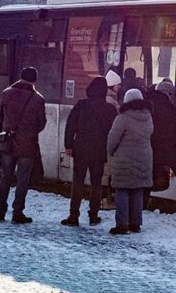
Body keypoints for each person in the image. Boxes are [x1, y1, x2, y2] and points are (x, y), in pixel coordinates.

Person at [61, 76, 117, 227]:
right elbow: (113, 131)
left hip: (80, 148)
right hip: (99, 149)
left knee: (78, 182)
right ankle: (93, 215)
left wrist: (68, 145)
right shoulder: (109, 109)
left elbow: (70, 125)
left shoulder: (81, 105)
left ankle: (73, 215)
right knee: (96, 183)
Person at [0, 66, 47, 224]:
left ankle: (0, 211)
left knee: (5, 177)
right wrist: (29, 133)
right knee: (22, 180)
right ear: (34, 80)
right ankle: (17, 212)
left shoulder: (6, 93)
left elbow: (0, 117)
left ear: (20, 76)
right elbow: (41, 123)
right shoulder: (38, 99)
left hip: (8, 142)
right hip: (27, 145)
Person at [106, 88, 154, 235]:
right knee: (137, 190)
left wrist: (110, 152)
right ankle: (135, 223)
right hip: (144, 157)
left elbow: (112, 140)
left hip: (124, 159)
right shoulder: (148, 117)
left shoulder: (123, 118)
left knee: (122, 190)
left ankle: (122, 224)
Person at [145, 81, 176, 199]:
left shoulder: (148, 102)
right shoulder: (166, 105)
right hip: (167, 146)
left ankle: (145, 200)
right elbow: (175, 123)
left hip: (151, 145)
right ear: (168, 94)